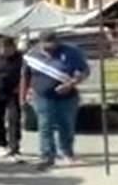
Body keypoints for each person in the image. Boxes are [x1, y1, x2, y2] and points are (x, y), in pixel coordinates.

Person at [22, 30, 89, 171]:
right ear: (40, 43)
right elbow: (25, 77)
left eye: (53, 43)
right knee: (45, 126)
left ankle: (66, 152)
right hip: (42, 96)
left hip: (67, 96)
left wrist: (71, 84)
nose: (50, 48)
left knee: (66, 125)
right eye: (46, 44)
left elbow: (84, 71)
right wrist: (22, 96)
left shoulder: (71, 52)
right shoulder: (32, 56)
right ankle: (47, 156)